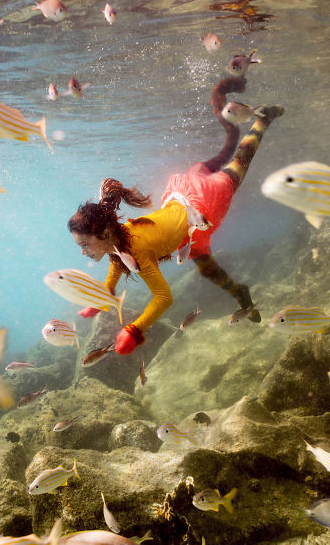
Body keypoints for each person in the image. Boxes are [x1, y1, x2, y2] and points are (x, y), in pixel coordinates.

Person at [67, 75, 283, 356]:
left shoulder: (138, 249)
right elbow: (117, 262)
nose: (82, 252)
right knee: (207, 267)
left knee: (238, 164)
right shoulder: (118, 240)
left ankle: (262, 120)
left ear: (104, 234)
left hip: (201, 204)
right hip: (182, 204)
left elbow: (163, 298)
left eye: (84, 244)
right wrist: (102, 297)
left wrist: (135, 329)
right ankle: (240, 293)